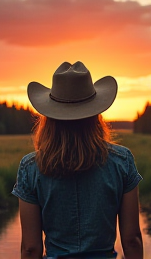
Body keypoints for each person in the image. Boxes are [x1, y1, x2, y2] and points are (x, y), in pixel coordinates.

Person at [12, 61, 143, 259]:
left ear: (50, 118)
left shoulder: (30, 167)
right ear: (95, 115)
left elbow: (31, 248)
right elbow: (132, 239)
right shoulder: (122, 161)